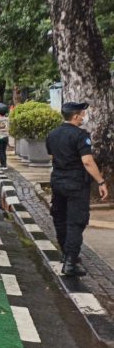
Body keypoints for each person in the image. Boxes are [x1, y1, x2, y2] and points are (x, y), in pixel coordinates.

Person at [45, 102, 108, 276]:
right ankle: (70, 262)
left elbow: (52, 156)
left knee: (60, 218)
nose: (83, 117)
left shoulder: (52, 134)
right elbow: (87, 161)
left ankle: (66, 253)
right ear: (75, 116)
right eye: (82, 114)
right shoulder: (81, 135)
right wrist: (101, 182)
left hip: (58, 181)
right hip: (76, 183)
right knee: (75, 221)